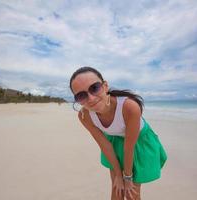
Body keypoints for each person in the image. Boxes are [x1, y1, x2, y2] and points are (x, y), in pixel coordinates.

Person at [70, 66, 167, 200]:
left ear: (105, 86)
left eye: (94, 88)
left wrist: (127, 177)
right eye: (81, 95)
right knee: (117, 190)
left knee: (132, 193)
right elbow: (105, 145)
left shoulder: (129, 107)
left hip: (138, 143)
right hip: (114, 141)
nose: (91, 98)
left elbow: (129, 146)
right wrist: (118, 175)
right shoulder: (84, 116)